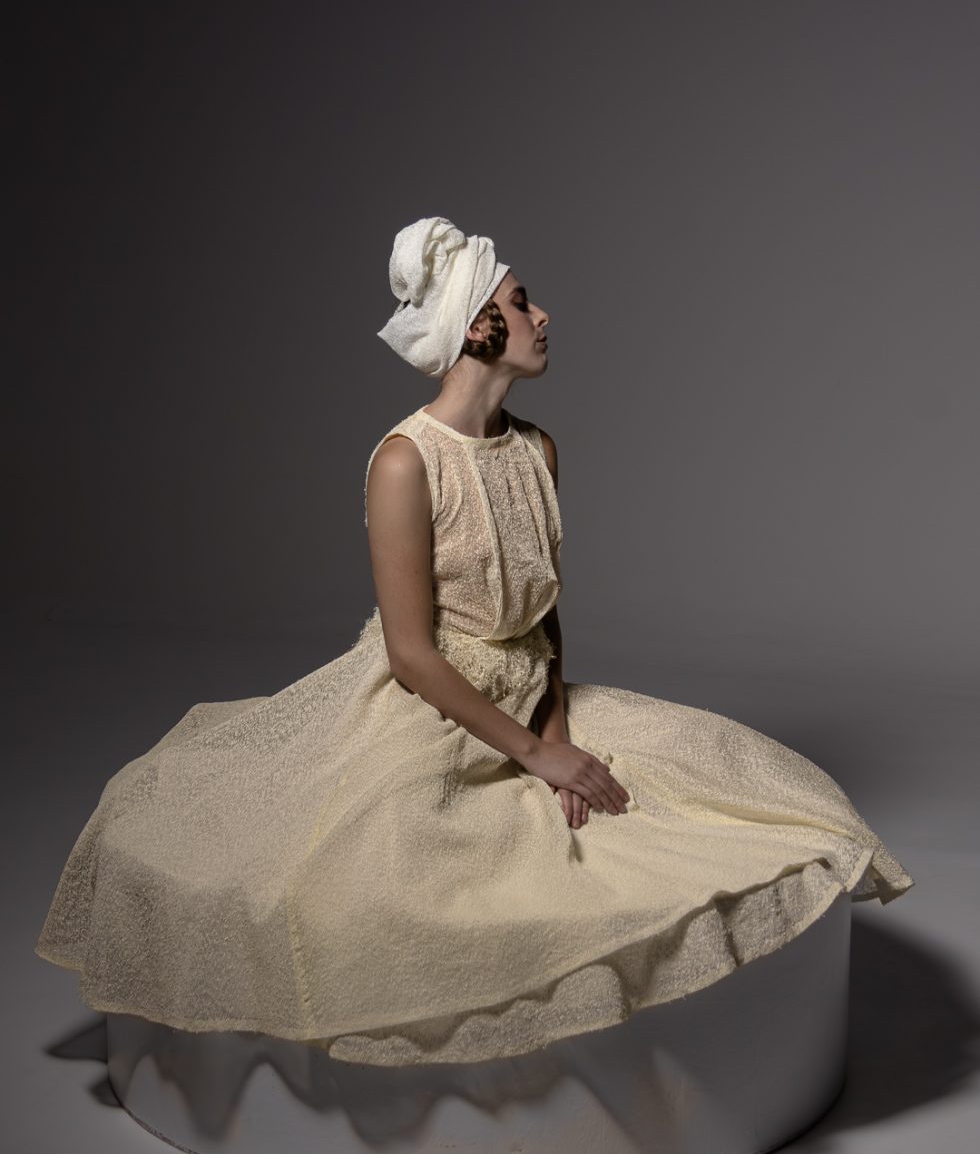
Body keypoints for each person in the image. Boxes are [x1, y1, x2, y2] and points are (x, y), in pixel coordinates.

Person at [35, 216, 914, 1070]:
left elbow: (545, 613)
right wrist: (532, 754)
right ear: (476, 325)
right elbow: (411, 654)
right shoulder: (405, 461)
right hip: (430, 703)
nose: (542, 316)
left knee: (721, 778)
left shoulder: (538, 450)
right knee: (379, 874)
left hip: (537, 693)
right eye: (522, 301)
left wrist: (558, 730)